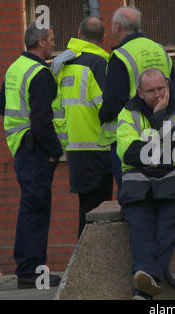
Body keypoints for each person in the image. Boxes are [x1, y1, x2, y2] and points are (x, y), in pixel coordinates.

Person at [116, 68, 175, 300]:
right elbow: (128, 152)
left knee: (165, 227)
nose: (157, 95)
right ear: (140, 93)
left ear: (168, 87)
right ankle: (146, 286)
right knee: (140, 225)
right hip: (138, 184)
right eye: (151, 91)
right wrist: (165, 153)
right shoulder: (128, 113)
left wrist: (160, 116)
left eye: (161, 89)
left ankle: (143, 288)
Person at [0, 23, 63, 289]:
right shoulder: (40, 73)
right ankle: (31, 273)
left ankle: (29, 270)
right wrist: (55, 152)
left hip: (22, 147)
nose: (53, 44)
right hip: (35, 150)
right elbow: (41, 121)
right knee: (36, 210)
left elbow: (3, 106)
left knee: (30, 208)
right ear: (40, 42)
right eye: (51, 40)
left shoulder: (15, 67)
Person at [98, 7, 175, 198]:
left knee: (134, 198)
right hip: (161, 132)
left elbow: (113, 102)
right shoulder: (161, 50)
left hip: (131, 138)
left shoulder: (121, 55)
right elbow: (173, 92)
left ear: (117, 26)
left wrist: (101, 116)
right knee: (162, 194)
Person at [51, 16, 113, 238]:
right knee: (97, 213)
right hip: (98, 146)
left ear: (78, 33)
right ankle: (88, 267)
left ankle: (82, 266)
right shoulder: (99, 64)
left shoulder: (63, 64)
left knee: (85, 208)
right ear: (104, 37)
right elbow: (106, 108)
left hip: (75, 148)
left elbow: (56, 107)